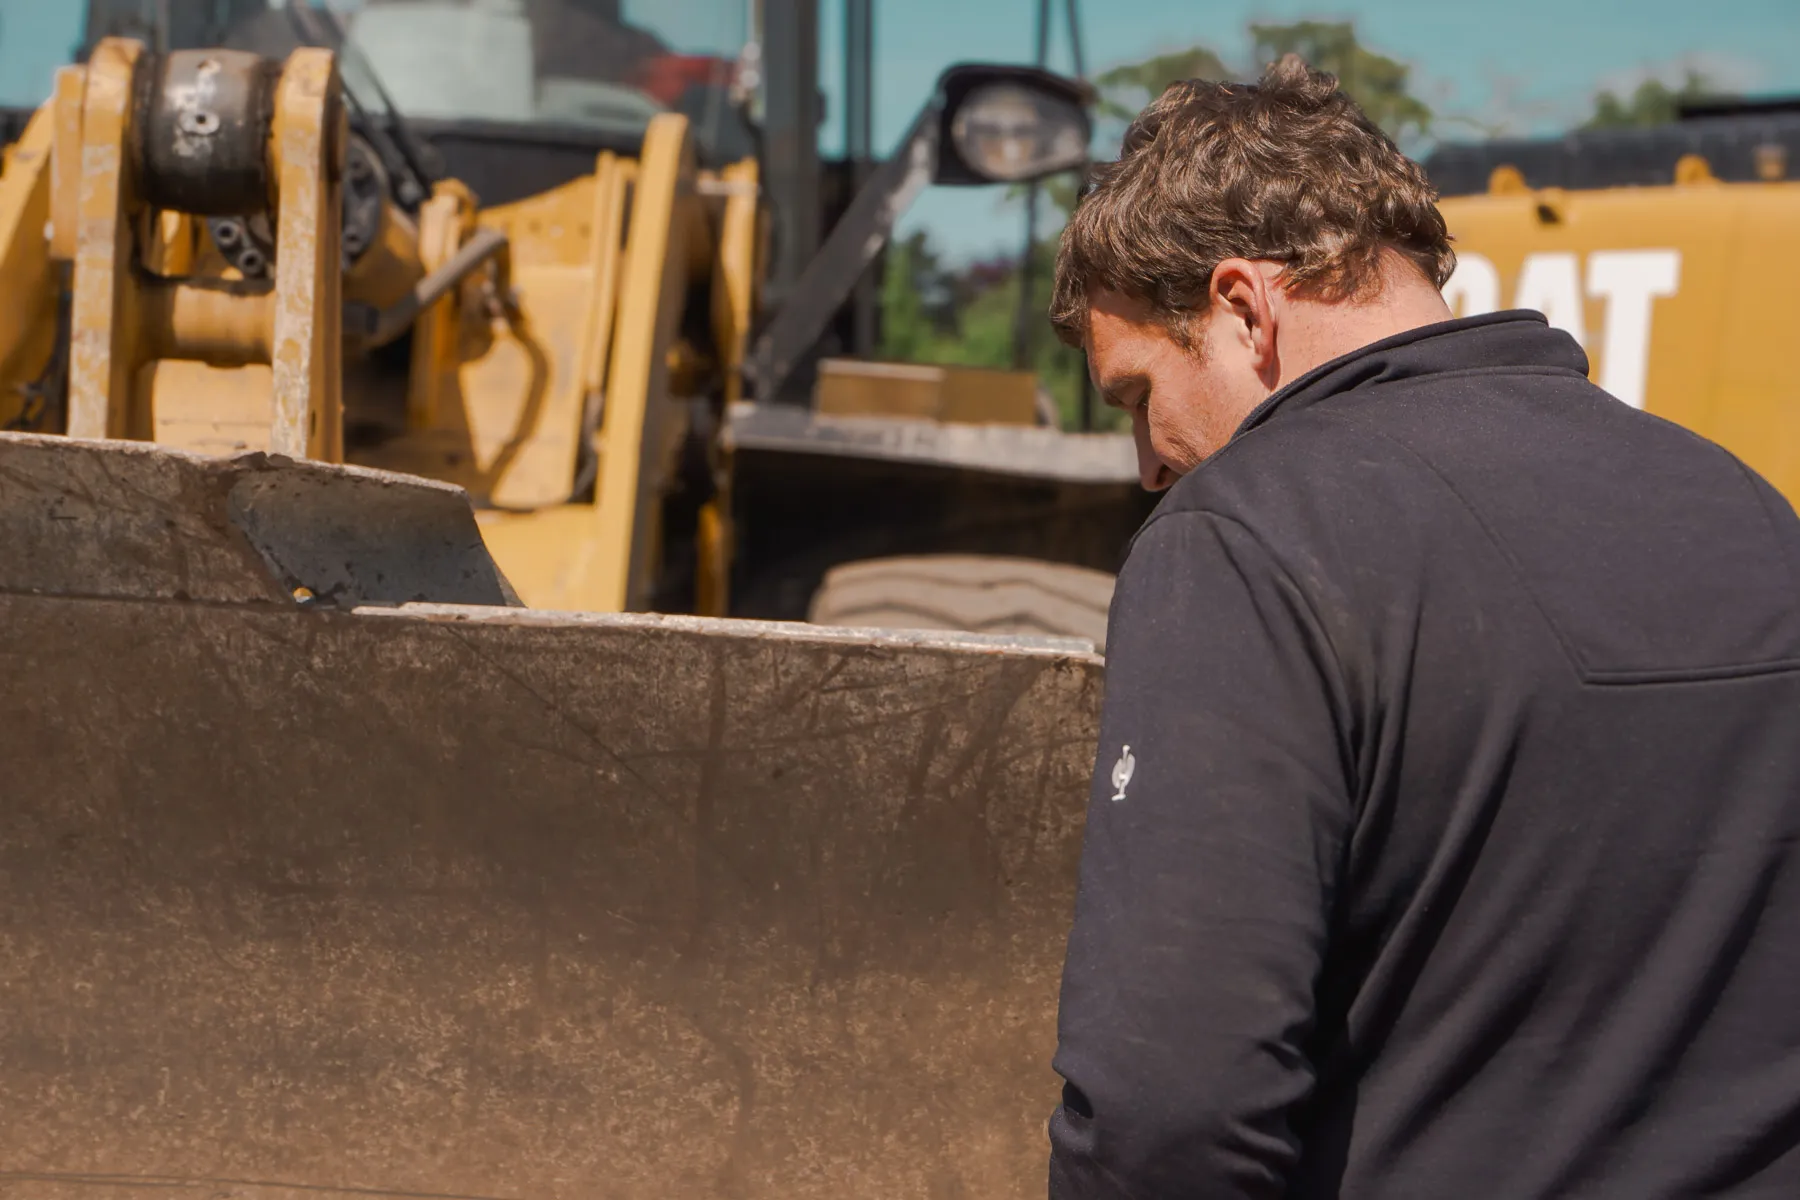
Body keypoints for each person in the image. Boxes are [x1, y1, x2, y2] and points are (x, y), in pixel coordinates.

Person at [1046, 54, 1800, 1199]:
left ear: (1244, 307)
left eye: (1140, 398)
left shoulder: (1246, 542)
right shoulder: (1742, 502)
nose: (1148, 465)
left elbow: (1169, 1118)